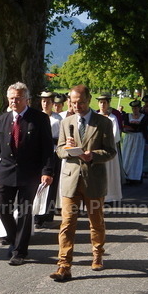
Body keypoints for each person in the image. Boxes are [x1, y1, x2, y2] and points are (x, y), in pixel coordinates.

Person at [50, 85, 117, 282]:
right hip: (71, 180)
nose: (76, 106)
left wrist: (93, 155)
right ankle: (64, 265)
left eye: (80, 102)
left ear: (89, 100)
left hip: (94, 180)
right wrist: (66, 148)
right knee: (67, 224)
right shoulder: (66, 122)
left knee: (96, 221)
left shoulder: (103, 122)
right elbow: (59, 150)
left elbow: (111, 151)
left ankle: (97, 254)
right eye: (73, 102)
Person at [0, 83, 55, 266]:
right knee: (2, 208)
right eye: (11, 98)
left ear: (26, 99)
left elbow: (47, 148)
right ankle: (15, 239)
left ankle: (19, 251)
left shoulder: (39, 119)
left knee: (24, 212)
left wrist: (47, 171)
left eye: (17, 98)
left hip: (29, 173)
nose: (14, 101)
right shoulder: (3, 119)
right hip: (6, 171)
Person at [32, 91, 63, 229]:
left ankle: (48, 213)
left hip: (53, 153)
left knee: (51, 185)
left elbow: (61, 137)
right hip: (38, 154)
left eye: (48, 101)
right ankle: (36, 214)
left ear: (52, 103)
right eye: (43, 101)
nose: (45, 104)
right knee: (38, 184)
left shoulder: (58, 119)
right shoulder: (36, 117)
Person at [95, 94, 124, 205]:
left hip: (109, 149)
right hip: (97, 149)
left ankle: (110, 197)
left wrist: (105, 142)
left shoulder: (112, 118)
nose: (102, 105)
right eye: (100, 102)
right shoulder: (95, 117)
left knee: (110, 173)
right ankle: (98, 195)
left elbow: (115, 135)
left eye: (104, 102)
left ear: (108, 104)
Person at [120, 100, 146, 183]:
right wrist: (126, 129)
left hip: (138, 138)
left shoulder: (143, 117)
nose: (134, 110)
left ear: (139, 108)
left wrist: (147, 142)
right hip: (129, 137)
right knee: (126, 155)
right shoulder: (127, 116)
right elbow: (124, 126)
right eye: (133, 108)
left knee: (136, 156)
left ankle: (135, 176)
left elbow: (144, 129)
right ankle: (126, 175)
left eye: (136, 108)